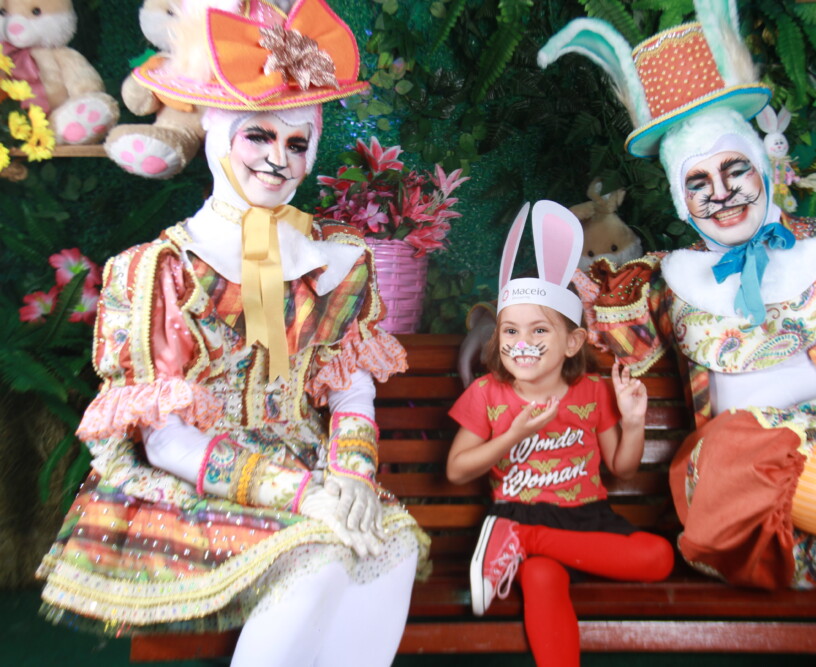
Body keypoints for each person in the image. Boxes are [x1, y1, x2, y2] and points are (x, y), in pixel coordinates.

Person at [538, 2, 816, 665]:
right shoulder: (661, 284)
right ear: (680, 199)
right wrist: (491, 325)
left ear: (764, 168)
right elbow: (555, 327)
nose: (722, 192)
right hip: (767, 517)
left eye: (735, 169)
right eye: (698, 182)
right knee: (733, 446)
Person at [35, 2, 428, 665]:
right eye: (258, 137)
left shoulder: (332, 260)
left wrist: (352, 476)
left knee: (392, 550)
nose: (278, 159)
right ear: (217, 136)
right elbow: (165, 440)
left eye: (297, 143)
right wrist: (304, 495)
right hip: (198, 485)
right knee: (317, 559)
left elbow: (351, 387)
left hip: (309, 468)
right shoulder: (162, 270)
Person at [446, 201, 674, 667]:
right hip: (517, 511)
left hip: (585, 520)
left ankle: (523, 540)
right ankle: (520, 539)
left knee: (658, 558)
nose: (522, 344)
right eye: (510, 331)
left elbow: (622, 467)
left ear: (572, 342)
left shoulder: (592, 391)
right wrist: (512, 435)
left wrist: (633, 421)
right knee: (541, 579)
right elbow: (456, 470)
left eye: (539, 331)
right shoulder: (487, 394)